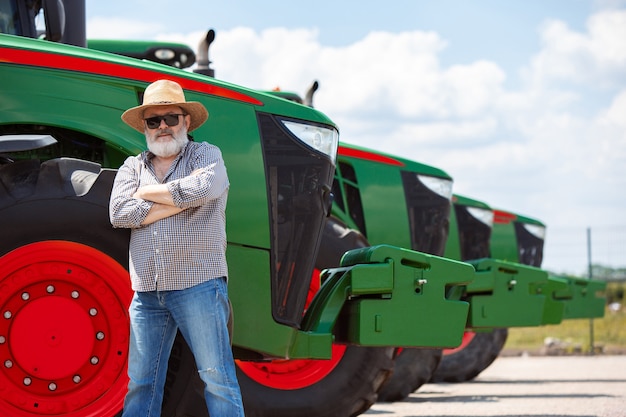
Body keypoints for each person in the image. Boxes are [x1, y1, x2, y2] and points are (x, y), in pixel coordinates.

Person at [109, 79, 244, 417]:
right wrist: (179, 201)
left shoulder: (206, 154)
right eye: (154, 121)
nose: (163, 127)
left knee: (217, 379)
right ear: (145, 127)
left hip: (198, 284)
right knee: (141, 383)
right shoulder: (131, 166)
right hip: (147, 292)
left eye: (170, 118)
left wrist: (145, 195)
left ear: (186, 121)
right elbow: (118, 213)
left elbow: (206, 187)